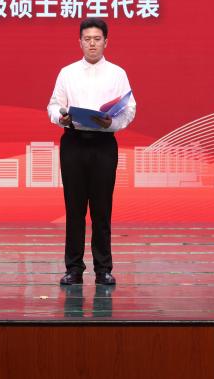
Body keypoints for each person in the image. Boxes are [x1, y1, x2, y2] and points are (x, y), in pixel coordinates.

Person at [47, 18, 136, 286]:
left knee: (102, 208)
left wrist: (112, 123)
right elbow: (53, 105)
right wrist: (60, 117)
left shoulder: (118, 74)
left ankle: (103, 269)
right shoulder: (67, 72)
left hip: (103, 144)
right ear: (80, 42)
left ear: (106, 42)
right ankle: (73, 269)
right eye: (87, 39)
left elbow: (130, 109)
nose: (92, 44)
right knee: (74, 208)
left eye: (97, 39)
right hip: (74, 142)